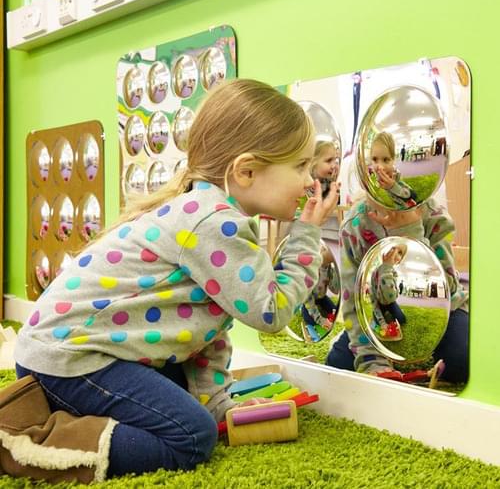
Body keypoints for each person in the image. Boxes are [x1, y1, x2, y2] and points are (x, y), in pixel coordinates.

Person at [10, 79, 339, 481]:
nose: (309, 181)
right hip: (69, 359)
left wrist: (217, 403)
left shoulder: (210, 214)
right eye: (300, 166)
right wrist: (306, 236)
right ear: (246, 170)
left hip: (69, 354)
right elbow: (271, 312)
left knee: (190, 405)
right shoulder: (214, 223)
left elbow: (202, 331)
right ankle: (31, 444)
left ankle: (51, 408)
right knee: (191, 436)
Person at [326, 195, 469, 383]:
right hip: (375, 310)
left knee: (461, 362)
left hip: (449, 309)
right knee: (338, 363)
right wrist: (371, 360)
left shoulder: (435, 215)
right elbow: (352, 298)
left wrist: (411, 233)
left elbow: (448, 286)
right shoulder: (354, 224)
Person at [300, 141, 341, 336]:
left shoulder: (329, 184)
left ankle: (319, 316)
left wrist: (335, 268)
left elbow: (335, 288)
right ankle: (309, 324)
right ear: (313, 163)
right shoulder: (311, 188)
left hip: (320, 295)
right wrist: (320, 320)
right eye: (329, 160)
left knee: (333, 310)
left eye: (336, 160)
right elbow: (308, 300)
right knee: (310, 310)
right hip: (309, 300)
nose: (334, 165)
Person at [368, 132, 417, 209]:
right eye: (375, 159)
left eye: (385, 160)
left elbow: (413, 195)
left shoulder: (395, 179)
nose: (380, 167)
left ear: (393, 160)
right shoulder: (373, 180)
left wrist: (393, 186)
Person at [370, 244, 408, 342]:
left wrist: (387, 268)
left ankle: (391, 313)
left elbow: (392, 297)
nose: (395, 252)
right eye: (393, 248)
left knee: (402, 320)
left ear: (399, 260)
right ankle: (384, 316)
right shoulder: (375, 273)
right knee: (377, 322)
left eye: (400, 252)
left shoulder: (394, 273)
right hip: (378, 304)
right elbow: (373, 298)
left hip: (391, 302)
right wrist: (382, 322)